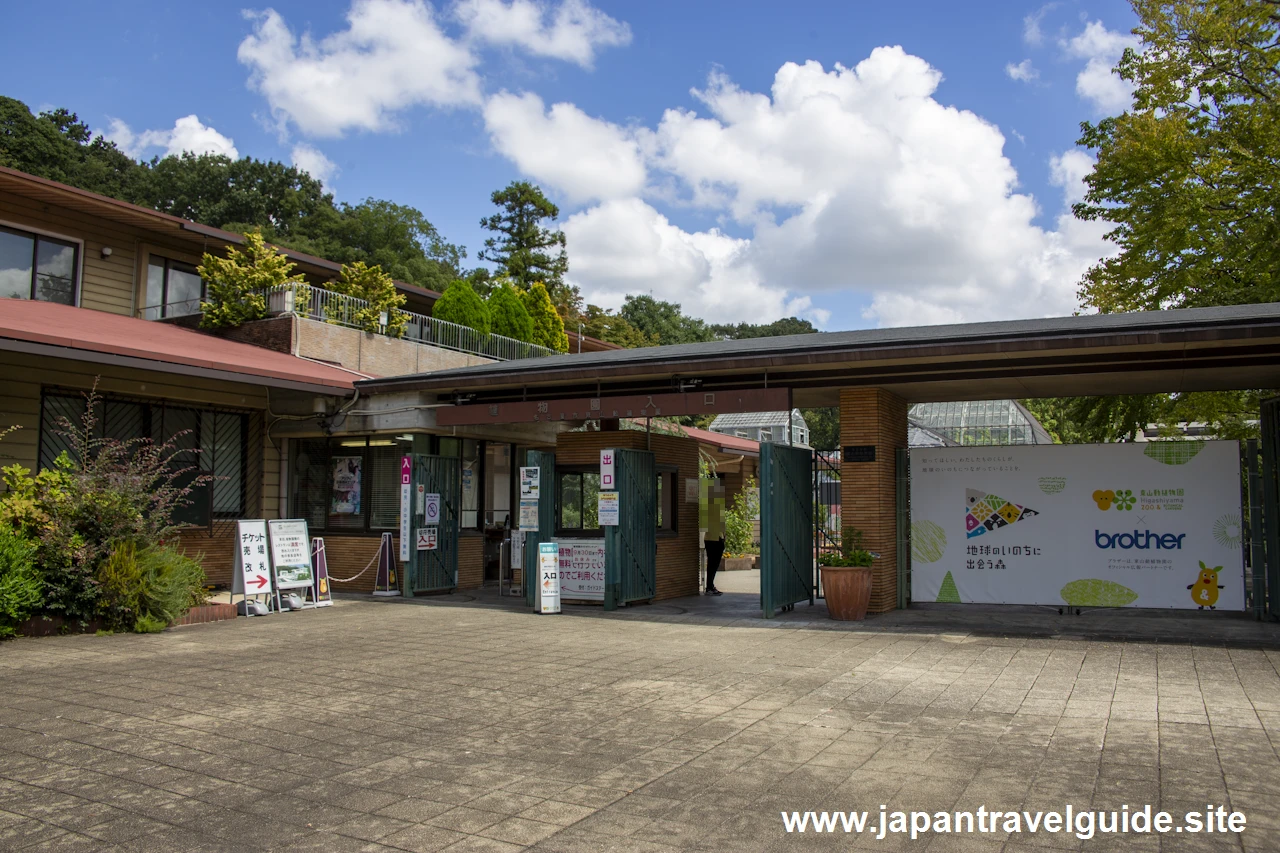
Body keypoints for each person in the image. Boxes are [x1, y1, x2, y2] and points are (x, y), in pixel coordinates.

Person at [704, 480, 726, 595]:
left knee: (713, 563)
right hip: (713, 539)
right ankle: (709, 586)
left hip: (714, 538)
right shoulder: (710, 506)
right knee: (713, 563)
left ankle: (710, 586)